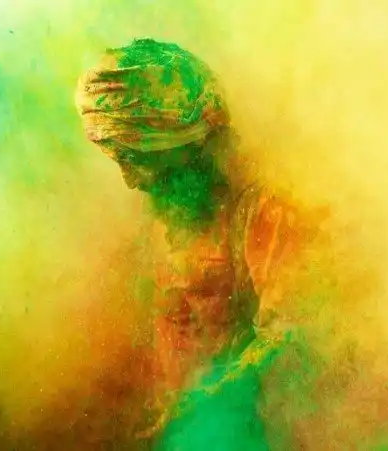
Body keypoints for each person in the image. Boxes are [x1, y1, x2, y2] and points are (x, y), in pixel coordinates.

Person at [73, 38, 316, 450]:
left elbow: (292, 342)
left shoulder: (262, 212)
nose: (130, 181)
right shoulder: (165, 213)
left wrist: (200, 410)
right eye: (121, 162)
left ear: (186, 145)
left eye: (137, 160)